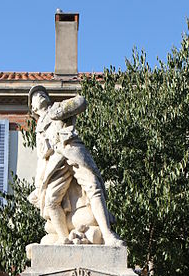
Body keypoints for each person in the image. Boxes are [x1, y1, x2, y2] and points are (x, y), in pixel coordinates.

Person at [28, 85, 123, 246]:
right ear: (33, 107)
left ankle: (108, 235)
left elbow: (81, 102)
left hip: (71, 150)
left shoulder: (57, 107)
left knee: (94, 186)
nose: (41, 95)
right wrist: (38, 186)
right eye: (36, 95)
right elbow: (41, 158)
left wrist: (60, 112)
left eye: (43, 93)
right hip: (55, 162)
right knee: (51, 201)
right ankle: (63, 238)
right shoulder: (38, 129)